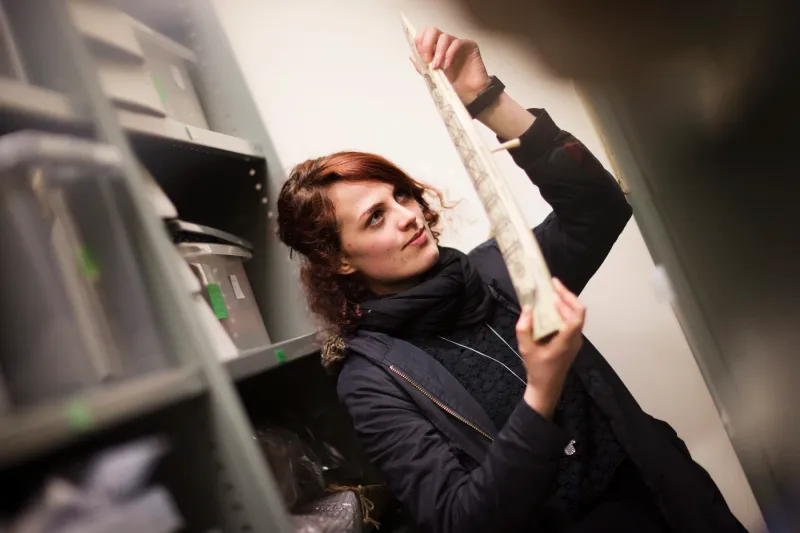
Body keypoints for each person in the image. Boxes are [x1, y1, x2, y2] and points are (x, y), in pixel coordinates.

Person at [277, 27, 747, 533]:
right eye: (375, 218)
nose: (409, 214)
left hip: (670, 502)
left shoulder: (496, 269)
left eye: (402, 196)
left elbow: (598, 208)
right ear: (338, 260)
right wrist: (540, 395)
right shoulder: (371, 378)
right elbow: (460, 519)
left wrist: (485, 98)